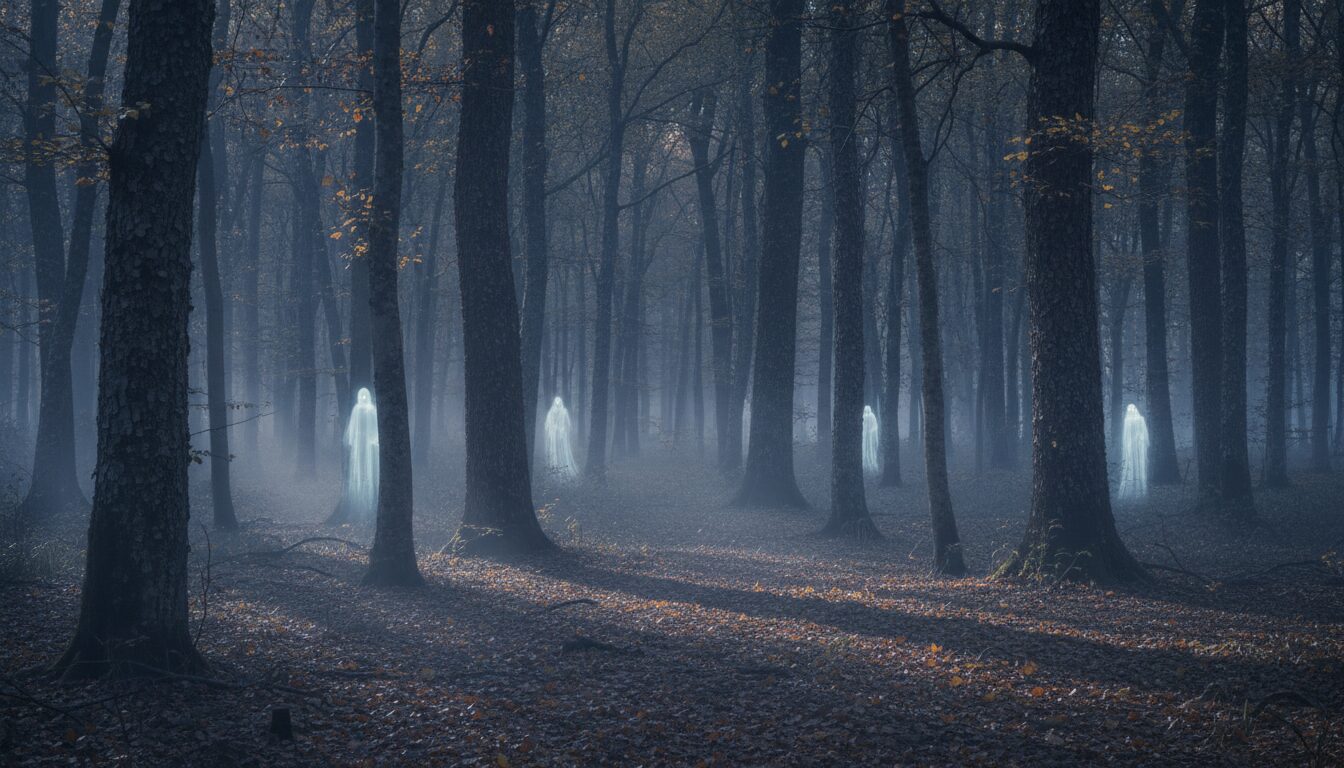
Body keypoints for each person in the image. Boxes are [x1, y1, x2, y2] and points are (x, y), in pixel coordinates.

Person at [342, 388, 380, 521]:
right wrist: (353, 441)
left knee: (369, 471)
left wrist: (374, 440)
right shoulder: (356, 410)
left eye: (365, 395)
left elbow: (375, 428)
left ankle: (370, 504)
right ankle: (359, 504)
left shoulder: (372, 410)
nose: (363, 398)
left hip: (369, 445)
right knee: (360, 470)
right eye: (361, 395)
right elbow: (352, 429)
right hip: (359, 446)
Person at [1118, 403, 1149, 500]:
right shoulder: (1140, 420)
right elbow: (1145, 438)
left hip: (1131, 447)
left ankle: (1135, 491)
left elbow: (1125, 438)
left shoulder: (1127, 421)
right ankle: (1140, 491)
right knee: (1138, 465)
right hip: (1139, 446)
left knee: (1132, 466)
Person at [544, 396, 579, 481]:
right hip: (554, 437)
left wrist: (563, 430)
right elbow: (547, 425)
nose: (557, 404)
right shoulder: (551, 412)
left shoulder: (564, 411)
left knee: (562, 452)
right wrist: (553, 428)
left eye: (558, 403)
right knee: (555, 452)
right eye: (556, 403)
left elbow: (568, 424)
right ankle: (556, 471)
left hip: (561, 436)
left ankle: (562, 470)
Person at [862, 405, 880, 476]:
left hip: (869, 437)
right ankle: (872, 467)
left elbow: (865, 429)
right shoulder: (872, 416)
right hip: (871, 436)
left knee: (869, 452)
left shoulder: (866, 416)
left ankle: (870, 467)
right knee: (872, 452)